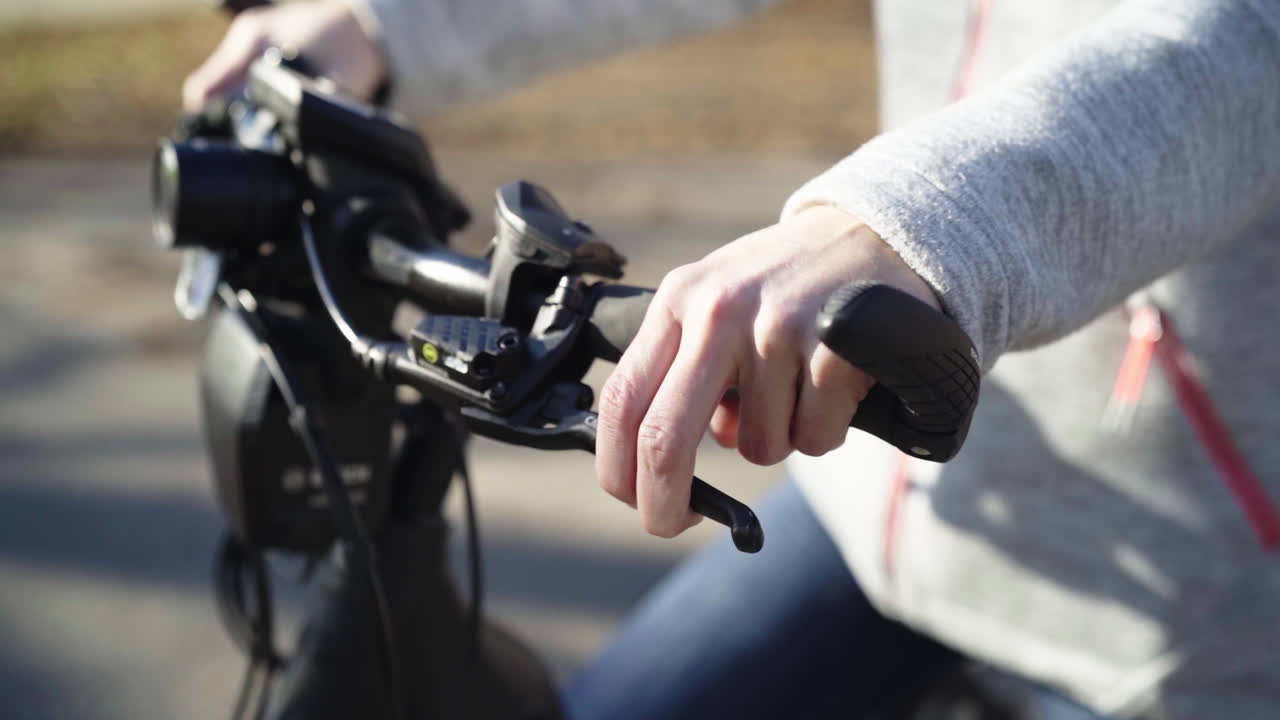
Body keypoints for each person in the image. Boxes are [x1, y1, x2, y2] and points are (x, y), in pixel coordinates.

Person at [185, 1, 1280, 718]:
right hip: (882, 515)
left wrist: (905, 229)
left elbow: (1238, 49)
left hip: (1180, 629)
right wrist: (387, 25)